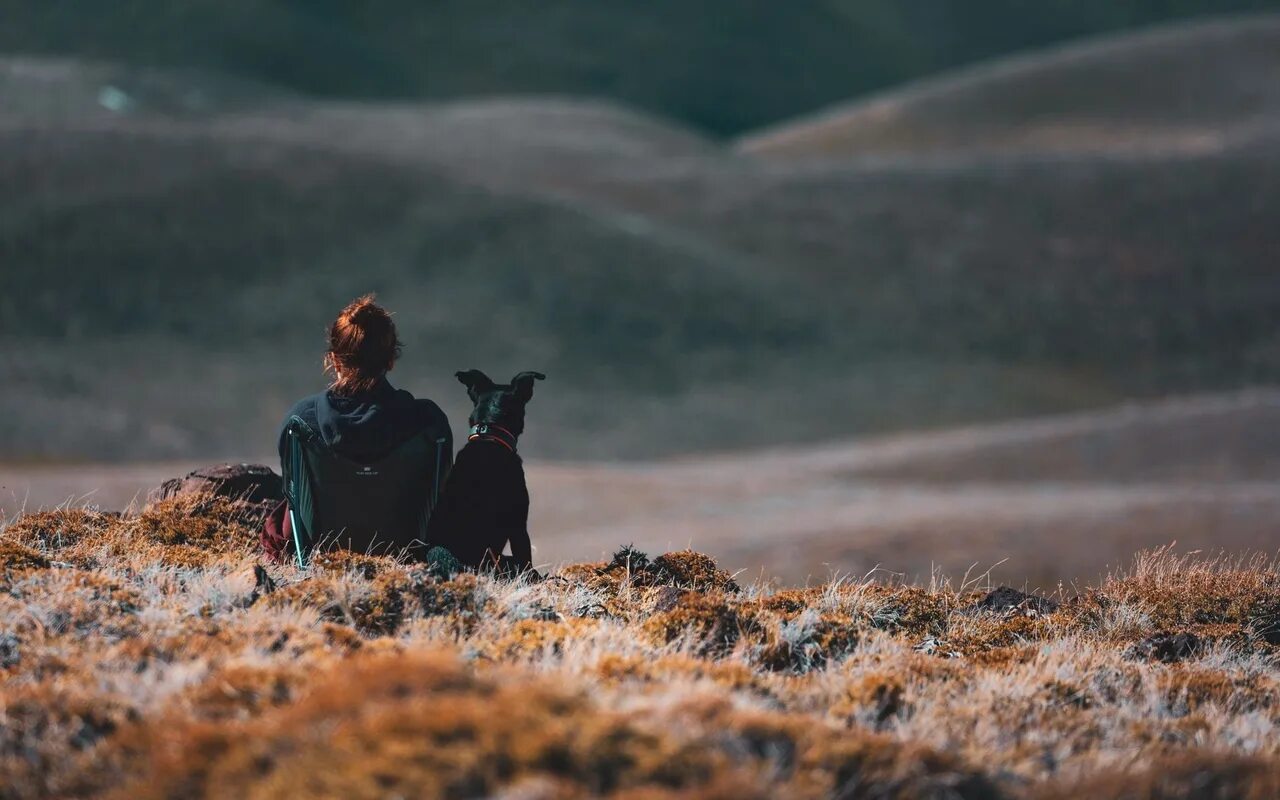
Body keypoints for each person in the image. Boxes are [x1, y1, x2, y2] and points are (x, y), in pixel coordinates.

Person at [262, 295, 452, 563]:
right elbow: (438, 498)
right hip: (405, 558)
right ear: (390, 361)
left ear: (335, 360)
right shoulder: (429, 422)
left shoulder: (300, 421)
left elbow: (294, 498)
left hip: (322, 557)